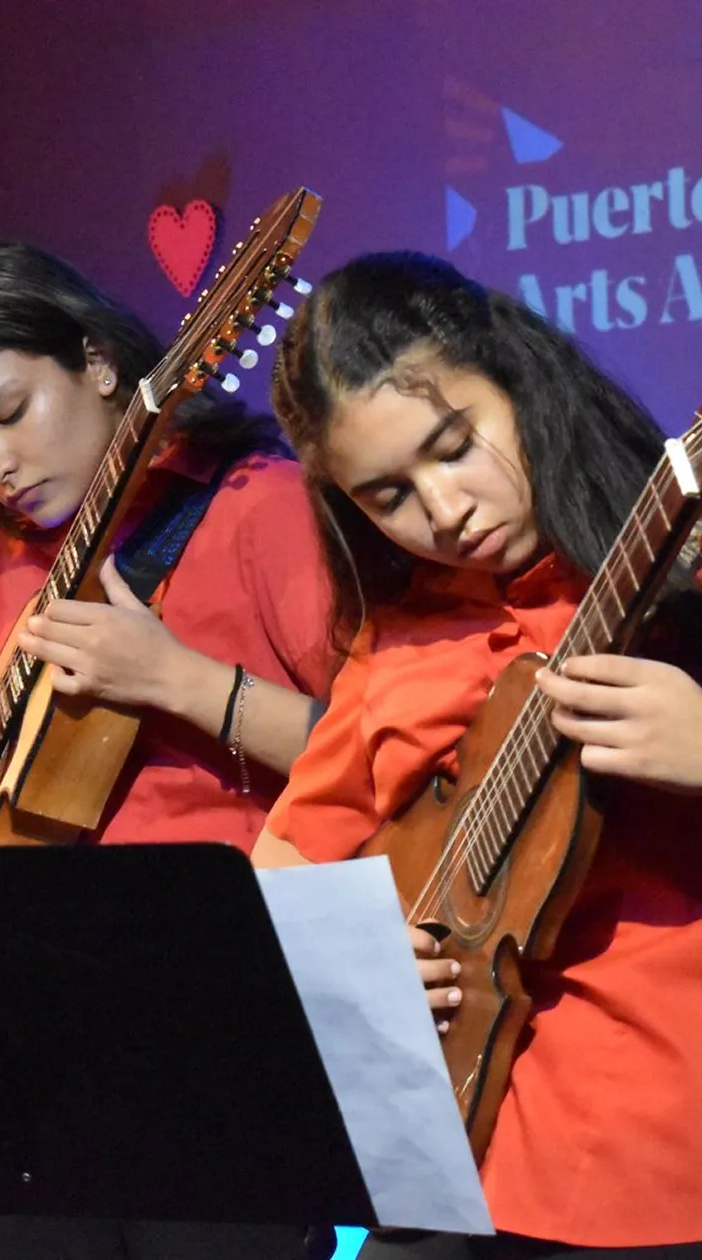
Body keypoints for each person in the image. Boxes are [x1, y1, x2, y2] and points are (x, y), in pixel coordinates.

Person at [0, 239, 333, 1260]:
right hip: (37, 1029)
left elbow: (387, 760)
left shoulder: (259, 505)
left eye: (10, 414)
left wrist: (182, 684)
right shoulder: (3, 553)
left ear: (100, 362)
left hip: (221, 1018)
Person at [257, 251, 702, 1258]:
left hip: (658, 1152)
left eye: (455, 446)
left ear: (519, 378)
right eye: (388, 495)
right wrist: (354, 959)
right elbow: (280, 873)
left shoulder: (681, 565)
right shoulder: (392, 643)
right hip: (452, 1158)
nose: (444, 509)